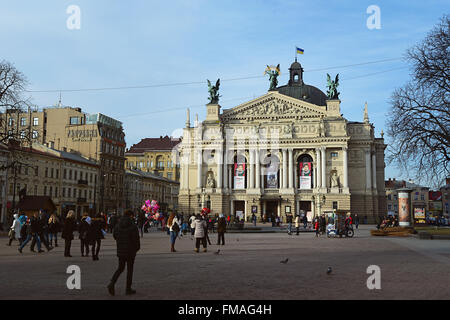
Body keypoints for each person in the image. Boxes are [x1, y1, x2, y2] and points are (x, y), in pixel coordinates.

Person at [108, 210, 140, 296]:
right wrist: (136, 248)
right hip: (130, 251)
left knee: (120, 268)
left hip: (121, 250)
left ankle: (112, 283)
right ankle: (128, 288)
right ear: (130, 216)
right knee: (130, 270)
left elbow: (115, 236)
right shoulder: (133, 226)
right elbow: (136, 239)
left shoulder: (118, 225)